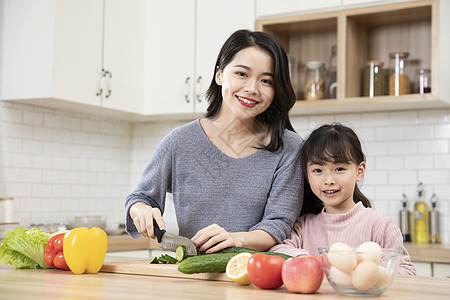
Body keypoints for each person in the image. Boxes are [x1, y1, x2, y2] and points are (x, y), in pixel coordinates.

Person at [125, 29, 303, 253]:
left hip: (255, 276)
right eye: (242, 74)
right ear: (219, 74)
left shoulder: (289, 147)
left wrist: (234, 239)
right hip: (193, 273)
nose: (252, 88)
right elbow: (140, 197)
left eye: (266, 80)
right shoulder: (180, 142)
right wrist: (141, 210)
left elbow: (279, 224)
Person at [269, 123, 416, 276]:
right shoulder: (304, 226)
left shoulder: (380, 225)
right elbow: (278, 250)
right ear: (307, 176)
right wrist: (306, 259)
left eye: (339, 169)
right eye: (318, 170)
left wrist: (367, 269)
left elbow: (407, 271)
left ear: (359, 171)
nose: (329, 180)